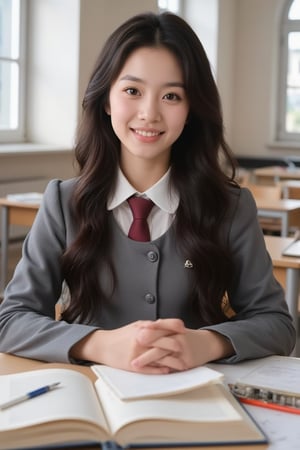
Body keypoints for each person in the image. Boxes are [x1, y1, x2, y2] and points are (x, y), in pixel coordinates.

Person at [0, 12, 296, 373]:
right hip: (90, 401)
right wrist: (100, 344)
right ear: (106, 100)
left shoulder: (230, 207)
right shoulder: (63, 202)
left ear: (190, 111)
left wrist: (206, 342)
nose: (149, 113)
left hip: (196, 399)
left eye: (171, 96)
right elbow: (11, 319)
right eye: (132, 91)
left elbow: (277, 324)